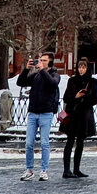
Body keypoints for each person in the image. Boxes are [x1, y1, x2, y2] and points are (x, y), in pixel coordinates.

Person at [17, 51, 61, 181]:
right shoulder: (36, 76)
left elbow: (52, 83)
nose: (41, 62)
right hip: (33, 113)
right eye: (40, 60)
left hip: (46, 113)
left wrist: (42, 70)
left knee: (44, 143)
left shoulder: (55, 75)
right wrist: (26, 69)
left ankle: (44, 170)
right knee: (29, 143)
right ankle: (29, 170)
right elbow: (21, 82)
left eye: (44, 60)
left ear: (50, 62)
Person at [61, 57, 97, 179]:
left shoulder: (93, 82)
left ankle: (76, 169)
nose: (81, 70)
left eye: (83, 67)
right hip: (73, 114)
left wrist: (85, 99)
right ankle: (66, 170)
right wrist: (76, 96)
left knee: (80, 142)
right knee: (70, 141)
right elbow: (66, 97)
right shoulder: (72, 81)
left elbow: (96, 98)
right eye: (79, 67)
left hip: (84, 114)